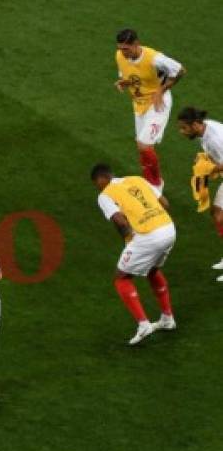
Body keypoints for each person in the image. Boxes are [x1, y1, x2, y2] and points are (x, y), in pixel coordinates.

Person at [90, 164, 176, 345]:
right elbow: (165, 203)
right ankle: (167, 318)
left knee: (121, 277)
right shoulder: (136, 179)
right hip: (168, 229)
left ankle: (143, 324)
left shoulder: (105, 194)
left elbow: (120, 221)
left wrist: (129, 240)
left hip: (148, 236)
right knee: (152, 270)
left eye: (96, 184)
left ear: (100, 180)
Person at [114, 29, 186, 190]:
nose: (122, 52)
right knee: (144, 149)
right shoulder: (120, 56)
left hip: (157, 103)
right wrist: (123, 83)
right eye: (120, 48)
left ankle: (156, 184)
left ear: (136, 44)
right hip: (139, 104)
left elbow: (180, 70)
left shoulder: (154, 58)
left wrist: (162, 89)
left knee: (144, 144)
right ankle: (150, 183)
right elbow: (129, 76)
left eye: (126, 49)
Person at [177, 107, 223, 279]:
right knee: (217, 213)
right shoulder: (206, 129)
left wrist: (210, 169)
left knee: (220, 215)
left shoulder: (214, 139)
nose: (182, 132)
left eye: (184, 128)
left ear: (195, 125)